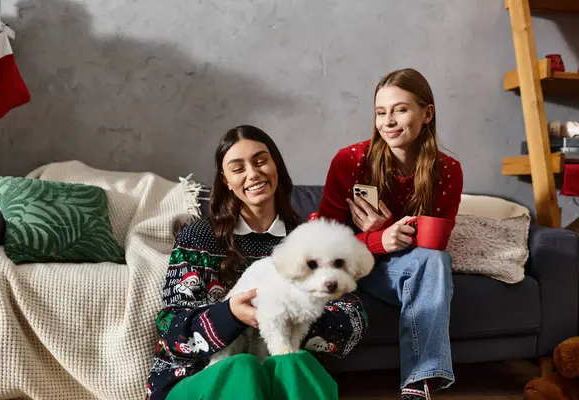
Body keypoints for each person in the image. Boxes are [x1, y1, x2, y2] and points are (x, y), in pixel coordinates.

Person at [146, 125, 368, 400]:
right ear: (225, 180)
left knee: (296, 362)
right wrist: (231, 315)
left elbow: (352, 323)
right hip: (199, 379)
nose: (253, 173)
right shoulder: (199, 238)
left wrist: (289, 315)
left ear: (276, 165)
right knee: (243, 367)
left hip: (279, 377)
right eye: (238, 168)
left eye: (261, 160)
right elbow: (170, 327)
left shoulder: (309, 239)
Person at [318, 68, 463, 400]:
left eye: (400, 109)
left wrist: (389, 232)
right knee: (432, 263)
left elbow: (434, 246)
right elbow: (321, 247)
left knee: (436, 260)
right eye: (381, 112)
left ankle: (418, 383)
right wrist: (376, 240)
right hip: (351, 265)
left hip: (406, 267)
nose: (388, 121)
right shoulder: (350, 160)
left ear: (427, 114)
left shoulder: (449, 172)